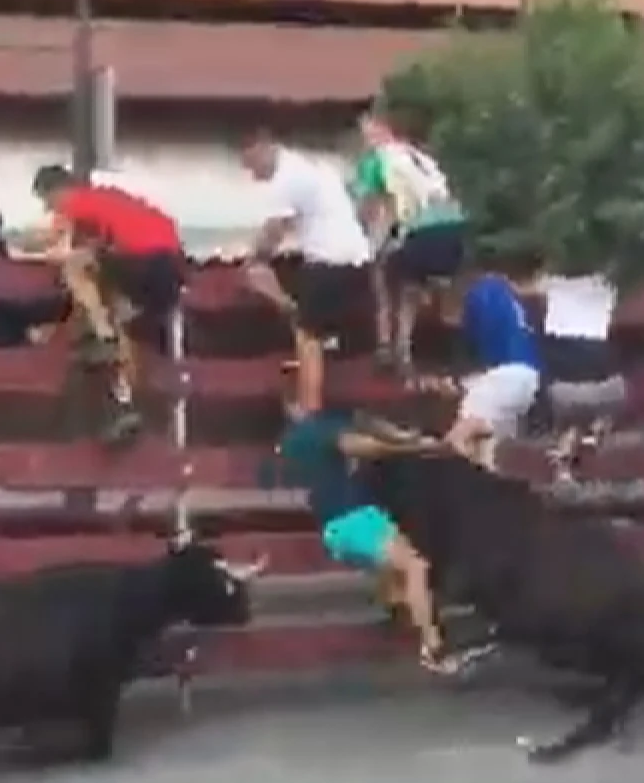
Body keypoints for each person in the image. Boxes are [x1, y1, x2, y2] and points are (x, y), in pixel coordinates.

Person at [267, 402, 491, 675]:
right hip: (353, 518)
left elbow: (368, 426)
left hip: (336, 524)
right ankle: (434, 649)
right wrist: (425, 448)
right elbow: (369, 446)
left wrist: (407, 438)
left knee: (402, 569)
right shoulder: (318, 429)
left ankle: (406, 610)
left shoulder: (288, 442)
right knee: (415, 566)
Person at [28, 165, 186, 443]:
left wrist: (18, 245)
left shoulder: (79, 202)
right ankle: (124, 405)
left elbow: (57, 246)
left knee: (75, 265)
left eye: (49, 202)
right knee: (123, 324)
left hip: (144, 263)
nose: (51, 209)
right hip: (171, 271)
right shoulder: (114, 201)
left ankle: (102, 334)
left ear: (58, 191)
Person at [238, 129, 374, 416]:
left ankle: (309, 406)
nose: (252, 175)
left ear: (264, 148)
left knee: (306, 335)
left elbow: (273, 233)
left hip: (330, 262)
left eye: (251, 166)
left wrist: (250, 259)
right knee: (315, 317)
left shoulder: (285, 180)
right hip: (359, 260)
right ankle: (311, 323)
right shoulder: (316, 168)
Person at [351, 110, 466, 373]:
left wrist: (364, 236)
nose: (365, 140)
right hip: (453, 228)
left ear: (384, 130)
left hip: (421, 231)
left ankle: (388, 349)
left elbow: (371, 204)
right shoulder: (419, 156)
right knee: (422, 288)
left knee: (384, 279)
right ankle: (448, 353)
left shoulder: (377, 159)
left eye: (368, 133)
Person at [445, 254, 544, 468]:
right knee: (496, 446)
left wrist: (455, 381)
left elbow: (465, 341)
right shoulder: (510, 294)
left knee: (458, 437)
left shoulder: (477, 294)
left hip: (504, 376)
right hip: (531, 378)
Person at [533, 268, 623, 475]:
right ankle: (591, 429)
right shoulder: (610, 275)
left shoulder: (552, 275)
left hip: (560, 355)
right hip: (596, 354)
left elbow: (536, 290)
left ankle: (573, 438)